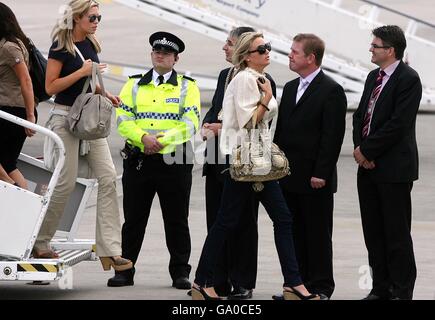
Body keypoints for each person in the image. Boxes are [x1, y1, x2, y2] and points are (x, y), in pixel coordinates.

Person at [192, 31, 318, 300]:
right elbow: (248, 122)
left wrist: (267, 95)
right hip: (245, 162)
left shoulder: (256, 78)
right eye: (261, 49)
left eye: (268, 47)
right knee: (230, 221)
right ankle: (203, 281)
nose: (267, 52)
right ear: (248, 56)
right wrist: (267, 97)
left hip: (256, 161)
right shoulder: (245, 80)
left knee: (278, 218)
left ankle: (293, 283)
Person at [34, 0, 132, 277]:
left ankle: (110, 249)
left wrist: (105, 94)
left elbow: (89, 82)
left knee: (109, 177)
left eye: (99, 17)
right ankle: (40, 242)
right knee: (65, 183)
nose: (97, 21)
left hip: (87, 118)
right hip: (65, 118)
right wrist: (79, 71)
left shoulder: (91, 43)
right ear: (77, 18)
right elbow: (50, 87)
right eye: (92, 17)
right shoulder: (60, 46)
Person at [111, 31, 200, 289]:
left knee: (176, 219)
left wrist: (160, 139)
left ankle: (180, 272)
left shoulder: (187, 86)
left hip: (175, 159)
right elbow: (123, 119)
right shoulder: (134, 84)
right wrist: (143, 138)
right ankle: (124, 271)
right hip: (140, 159)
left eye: (166, 53)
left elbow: (190, 122)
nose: (160, 56)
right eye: (157, 52)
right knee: (134, 218)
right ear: (152, 55)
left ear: (176, 59)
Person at [201, 26, 277, 299]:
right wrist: (207, 125)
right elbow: (215, 109)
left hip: (243, 161)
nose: (224, 47)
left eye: (229, 43)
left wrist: (222, 127)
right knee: (217, 221)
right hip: (217, 160)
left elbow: (255, 121)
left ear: (242, 50)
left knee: (243, 223)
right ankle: (216, 280)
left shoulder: (261, 79)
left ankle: (243, 282)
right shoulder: (225, 75)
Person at [273, 34, 347, 300]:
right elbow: (281, 132)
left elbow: (332, 137)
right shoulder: (291, 87)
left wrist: (321, 173)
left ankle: (321, 287)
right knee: (293, 233)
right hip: (289, 176)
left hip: (315, 179)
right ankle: (297, 286)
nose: (290, 55)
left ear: (311, 58)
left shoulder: (331, 90)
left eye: (295, 52)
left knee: (316, 235)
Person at [352, 25, 422, 300]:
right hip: (367, 167)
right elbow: (360, 116)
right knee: (374, 232)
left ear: (390, 50)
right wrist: (359, 149)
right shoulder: (373, 76)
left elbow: (398, 124)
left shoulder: (408, 79)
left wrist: (368, 151)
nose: (371, 48)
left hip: (393, 169)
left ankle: (402, 290)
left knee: (397, 234)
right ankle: (380, 288)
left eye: (375, 45)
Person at [0, 2, 36, 189]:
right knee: (7, 163)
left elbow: (26, 80)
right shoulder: (16, 42)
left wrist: (30, 116)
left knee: (8, 165)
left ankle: (12, 186)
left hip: (12, 110)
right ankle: (21, 195)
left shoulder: (9, 47)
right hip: (14, 110)